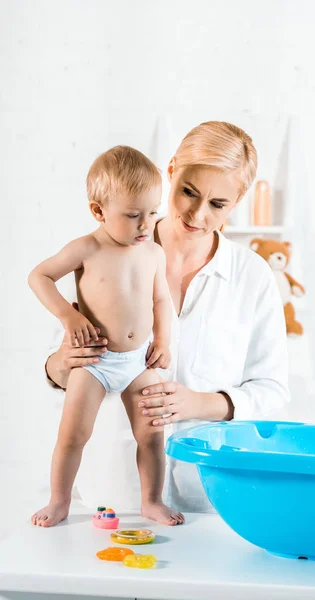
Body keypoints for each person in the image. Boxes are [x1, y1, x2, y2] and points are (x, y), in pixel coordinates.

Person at [45, 121, 291, 513]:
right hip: (108, 493)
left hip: (208, 496)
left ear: (238, 201)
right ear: (171, 170)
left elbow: (272, 389)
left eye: (218, 204)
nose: (196, 214)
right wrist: (60, 363)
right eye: (188, 192)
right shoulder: (103, 249)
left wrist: (200, 403)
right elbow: (58, 372)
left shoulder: (252, 277)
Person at [29, 146, 184, 527]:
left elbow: (161, 298)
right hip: (95, 362)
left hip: (136, 363)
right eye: (133, 215)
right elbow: (39, 276)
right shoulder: (88, 248)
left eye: (153, 212)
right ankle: (60, 501)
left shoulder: (152, 253)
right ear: (98, 211)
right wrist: (67, 315)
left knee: (152, 435)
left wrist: (162, 341)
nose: (145, 224)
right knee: (73, 434)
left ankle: (151, 501)